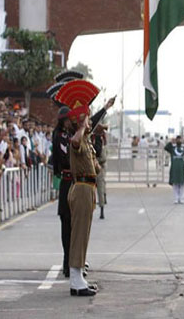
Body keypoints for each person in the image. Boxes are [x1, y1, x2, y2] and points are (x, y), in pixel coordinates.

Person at [68, 110, 100, 296]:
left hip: (88, 188)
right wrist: (81, 126)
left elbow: (96, 168)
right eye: (87, 121)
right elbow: (75, 141)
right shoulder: (77, 139)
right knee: (79, 234)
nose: (90, 124)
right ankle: (75, 280)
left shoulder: (86, 141)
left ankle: (79, 276)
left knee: (84, 234)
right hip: (81, 189)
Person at [51, 106, 73, 277]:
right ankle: (67, 262)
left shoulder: (72, 134)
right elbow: (65, 158)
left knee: (77, 225)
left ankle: (75, 260)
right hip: (67, 181)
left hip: (76, 182)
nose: (69, 122)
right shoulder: (59, 137)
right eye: (66, 119)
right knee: (66, 223)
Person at [165, 135, 184, 204]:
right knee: (175, 184)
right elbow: (166, 147)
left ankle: (181, 198)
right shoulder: (172, 148)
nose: (179, 141)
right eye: (177, 139)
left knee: (182, 184)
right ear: (176, 140)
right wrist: (171, 142)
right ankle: (176, 198)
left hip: (181, 168)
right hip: (174, 168)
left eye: (180, 139)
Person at [92, 124, 108, 219]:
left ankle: (102, 208)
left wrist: (95, 161)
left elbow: (103, 157)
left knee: (100, 188)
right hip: (93, 167)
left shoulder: (100, 139)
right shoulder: (94, 138)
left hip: (99, 167)